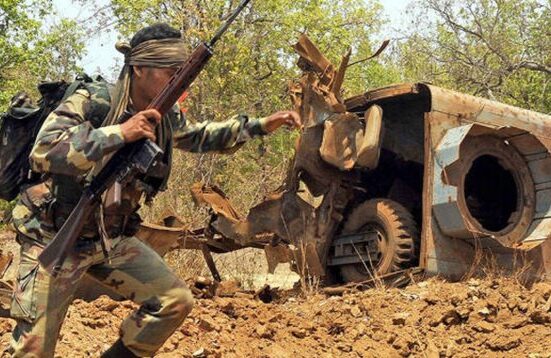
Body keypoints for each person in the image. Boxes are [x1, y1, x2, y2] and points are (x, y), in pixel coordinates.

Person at [8, 23, 300, 357]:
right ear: (139, 68)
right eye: (170, 72)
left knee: (173, 302)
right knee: (32, 351)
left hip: (108, 238)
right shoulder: (95, 100)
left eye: (181, 72)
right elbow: (45, 151)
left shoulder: (164, 114)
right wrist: (119, 133)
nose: (179, 80)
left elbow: (199, 136)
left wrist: (262, 125)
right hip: (53, 236)